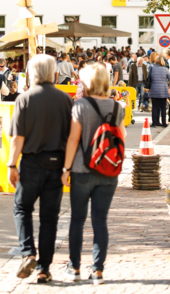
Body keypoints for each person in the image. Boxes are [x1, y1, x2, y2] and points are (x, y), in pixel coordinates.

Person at [7, 54, 73, 284]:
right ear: (54, 73)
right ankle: (44, 268)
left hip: (32, 163)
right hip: (56, 164)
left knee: (22, 208)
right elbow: (71, 137)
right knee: (49, 217)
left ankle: (28, 253)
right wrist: (68, 167)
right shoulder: (65, 99)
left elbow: (18, 138)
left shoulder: (24, 98)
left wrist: (11, 164)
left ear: (31, 73)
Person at [60, 63, 123, 285]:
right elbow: (121, 137)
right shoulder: (118, 108)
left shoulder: (81, 106)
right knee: (100, 221)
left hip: (81, 169)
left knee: (77, 220)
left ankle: (74, 267)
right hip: (108, 171)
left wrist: (66, 168)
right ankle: (97, 271)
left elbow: (73, 139)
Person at [144, 53, 170, 128]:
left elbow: (148, 78)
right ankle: (164, 123)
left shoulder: (152, 68)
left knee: (155, 107)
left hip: (154, 90)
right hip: (163, 91)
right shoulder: (165, 69)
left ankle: (154, 122)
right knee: (163, 107)